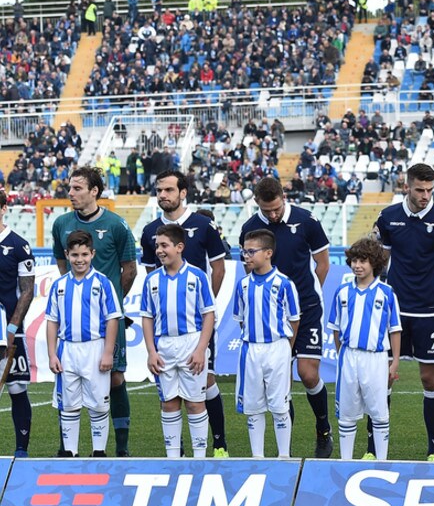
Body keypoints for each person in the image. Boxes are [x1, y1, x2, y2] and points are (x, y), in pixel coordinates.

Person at [239, 177, 333, 458]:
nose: (273, 214)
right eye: (267, 210)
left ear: (284, 197)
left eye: (277, 208)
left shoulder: (307, 220)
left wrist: (305, 291)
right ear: (257, 202)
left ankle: (323, 427)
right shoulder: (249, 228)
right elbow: (248, 267)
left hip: (306, 306)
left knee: (307, 373)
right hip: (271, 316)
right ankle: (285, 450)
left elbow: (323, 263)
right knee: (281, 381)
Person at [374, 163, 434, 461]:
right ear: (407, 187)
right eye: (419, 190)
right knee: (383, 377)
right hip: (394, 312)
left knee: (429, 379)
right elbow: (380, 262)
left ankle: (433, 450)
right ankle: (375, 450)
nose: (425, 196)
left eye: (430, 190)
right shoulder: (388, 217)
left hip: (429, 312)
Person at [142, 170, 229, 457]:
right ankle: (175, 455)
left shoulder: (203, 226)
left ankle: (217, 445)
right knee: (170, 400)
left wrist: (200, 307)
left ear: (183, 192)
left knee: (205, 385)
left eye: (169, 190)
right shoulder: (149, 231)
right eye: (159, 190)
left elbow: (219, 268)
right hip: (166, 338)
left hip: (196, 330)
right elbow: (149, 291)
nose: (163, 195)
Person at [53, 167, 137, 457]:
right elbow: (62, 267)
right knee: (68, 382)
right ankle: (68, 447)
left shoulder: (116, 225)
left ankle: (121, 447)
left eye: (77, 188)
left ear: (94, 191)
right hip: (75, 329)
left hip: (107, 322)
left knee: (114, 378)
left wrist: (106, 304)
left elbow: (130, 270)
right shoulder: (61, 223)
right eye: (70, 188)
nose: (71, 193)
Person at [139, 224, 216, 459]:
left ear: (179, 247)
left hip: (191, 344)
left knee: (194, 402)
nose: (159, 251)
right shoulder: (151, 280)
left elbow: (209, 314)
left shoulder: (197, 276)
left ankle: (199, 458)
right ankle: (174, 458)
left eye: (164, 245)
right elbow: (147, 317)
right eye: (157, 246)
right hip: (164, 347)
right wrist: (151, 352)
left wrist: (202, 349)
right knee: (169, 403)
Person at [46, 230, 122, 457]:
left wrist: (108, 352)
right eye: (75, 255)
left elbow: (112, 319)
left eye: (84, 255)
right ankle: (70, 453)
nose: (80, 260)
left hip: (95, 349)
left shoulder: (103, 283)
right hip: (67, 349)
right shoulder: (59, 285)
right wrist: (52, 354)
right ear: (67, 254)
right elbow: (52, 321)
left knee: (98, 403)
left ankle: (99, 451)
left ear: (92, 254)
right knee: (69, 404)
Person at [328, 238, 401, 461]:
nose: (357, 266)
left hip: (376, 358)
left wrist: (394, 360)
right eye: (354, 261)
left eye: (363, 261)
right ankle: (346, 461)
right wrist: (342, 354)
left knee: (379, 413)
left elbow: (395, 329)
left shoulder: (386, 293)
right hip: (349, 357)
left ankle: (381, 461)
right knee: (347, 414)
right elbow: (336, 329)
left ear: (374, 263)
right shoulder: (342, 292)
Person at [234, 230, 300, 458]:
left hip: (277, 348)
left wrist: (286, 349)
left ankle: (284, 456)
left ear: (268, 253)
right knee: (253, 408)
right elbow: (241, 319)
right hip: (251, 349)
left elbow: (294, 319)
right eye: (244, 251)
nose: (246, 256)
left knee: (280, 406)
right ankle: (258, 457)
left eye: (252, 251)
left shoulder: (284, 284)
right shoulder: (242, 285)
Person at [0, 190, 35, 457]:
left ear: (3, 209)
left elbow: (27, 290)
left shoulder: (19, 245)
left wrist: (12, 326)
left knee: (16, 387)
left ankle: (21, 450)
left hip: (9, 330)